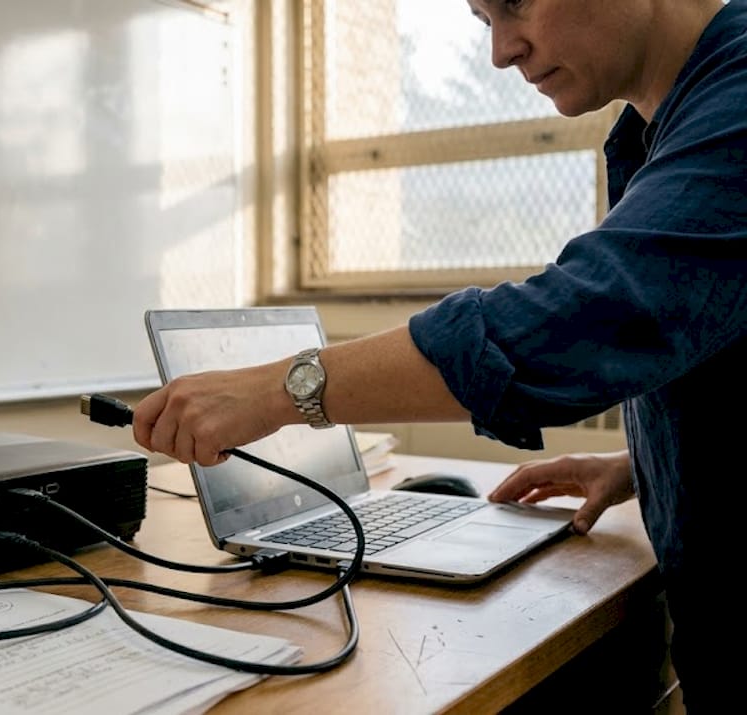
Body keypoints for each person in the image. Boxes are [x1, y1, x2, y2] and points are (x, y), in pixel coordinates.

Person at [130, 0, 746, 710]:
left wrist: (280, 391)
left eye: (515, 3)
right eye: (484, 21)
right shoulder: (662, 129)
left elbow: (587, 315)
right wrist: (645, 465)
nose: (502, 51)